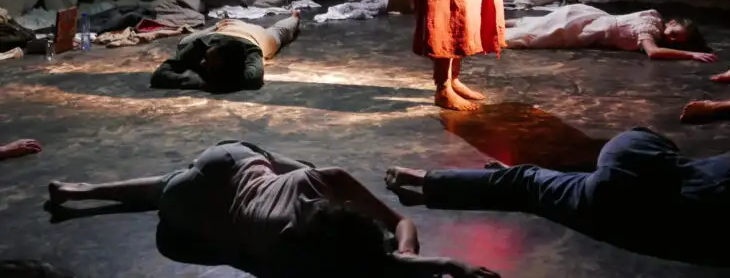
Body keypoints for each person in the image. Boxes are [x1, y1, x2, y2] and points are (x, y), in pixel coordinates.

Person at [46, 140, 500, 278]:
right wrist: (422, 261)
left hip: (232, 156)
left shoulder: (323, 180)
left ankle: (82, 189)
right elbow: (399, 230)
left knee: (290, 166)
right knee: (167, 191)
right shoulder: (281, 250)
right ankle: (82, 190)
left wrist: (418, 259)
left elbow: (398, 227)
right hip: (193, 205)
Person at [384, 127, 730, 254]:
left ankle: (423, 182)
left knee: (640, 144)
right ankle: (425, 185)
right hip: (624, 213)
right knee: (527, 184)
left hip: (628, 176)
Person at [505, 4, 718, 62]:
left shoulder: (653, 17)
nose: (670, 39)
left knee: (536, 25)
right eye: (674, 33)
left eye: (676, 41)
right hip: (590, 26)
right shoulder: (650, 28)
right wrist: (690, 54)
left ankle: (493, 23)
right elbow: (653, 52)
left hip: (588, 16)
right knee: (533, 36)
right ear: (671, 22)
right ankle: (491, 29)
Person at [150, 12, 300, 93]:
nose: (202, 62)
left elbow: (254, 79)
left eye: (208, 63)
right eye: (206, 58)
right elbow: (160, 74)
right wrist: (202, 83)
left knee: (279, 32)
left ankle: (294, 16)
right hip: (224, 29)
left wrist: (208, 83)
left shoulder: (252, 50)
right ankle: (219, 25)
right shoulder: (202, 44)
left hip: (253, 35)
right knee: (183, 44)